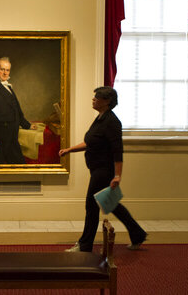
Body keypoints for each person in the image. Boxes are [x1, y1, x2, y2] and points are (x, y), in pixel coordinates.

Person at [59, 86, 147, 252]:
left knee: (91, 206)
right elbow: (91, 143)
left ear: (106, 101)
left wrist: (117, 175)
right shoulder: (100, 118)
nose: (93, 99)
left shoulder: (112, 122)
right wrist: (70, 150)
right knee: (110, 203)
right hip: (96, 169)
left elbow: (117, 150)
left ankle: (85, 245)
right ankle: (138, 234)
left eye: (97, 97)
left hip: (104, 171)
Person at [0, 57, 35, 164]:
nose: (5, 73)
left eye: (7, 70)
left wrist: (27, 125)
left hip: (11, 137)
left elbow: (16, 110)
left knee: (19, 168)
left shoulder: (8, 87)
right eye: (2, 69)